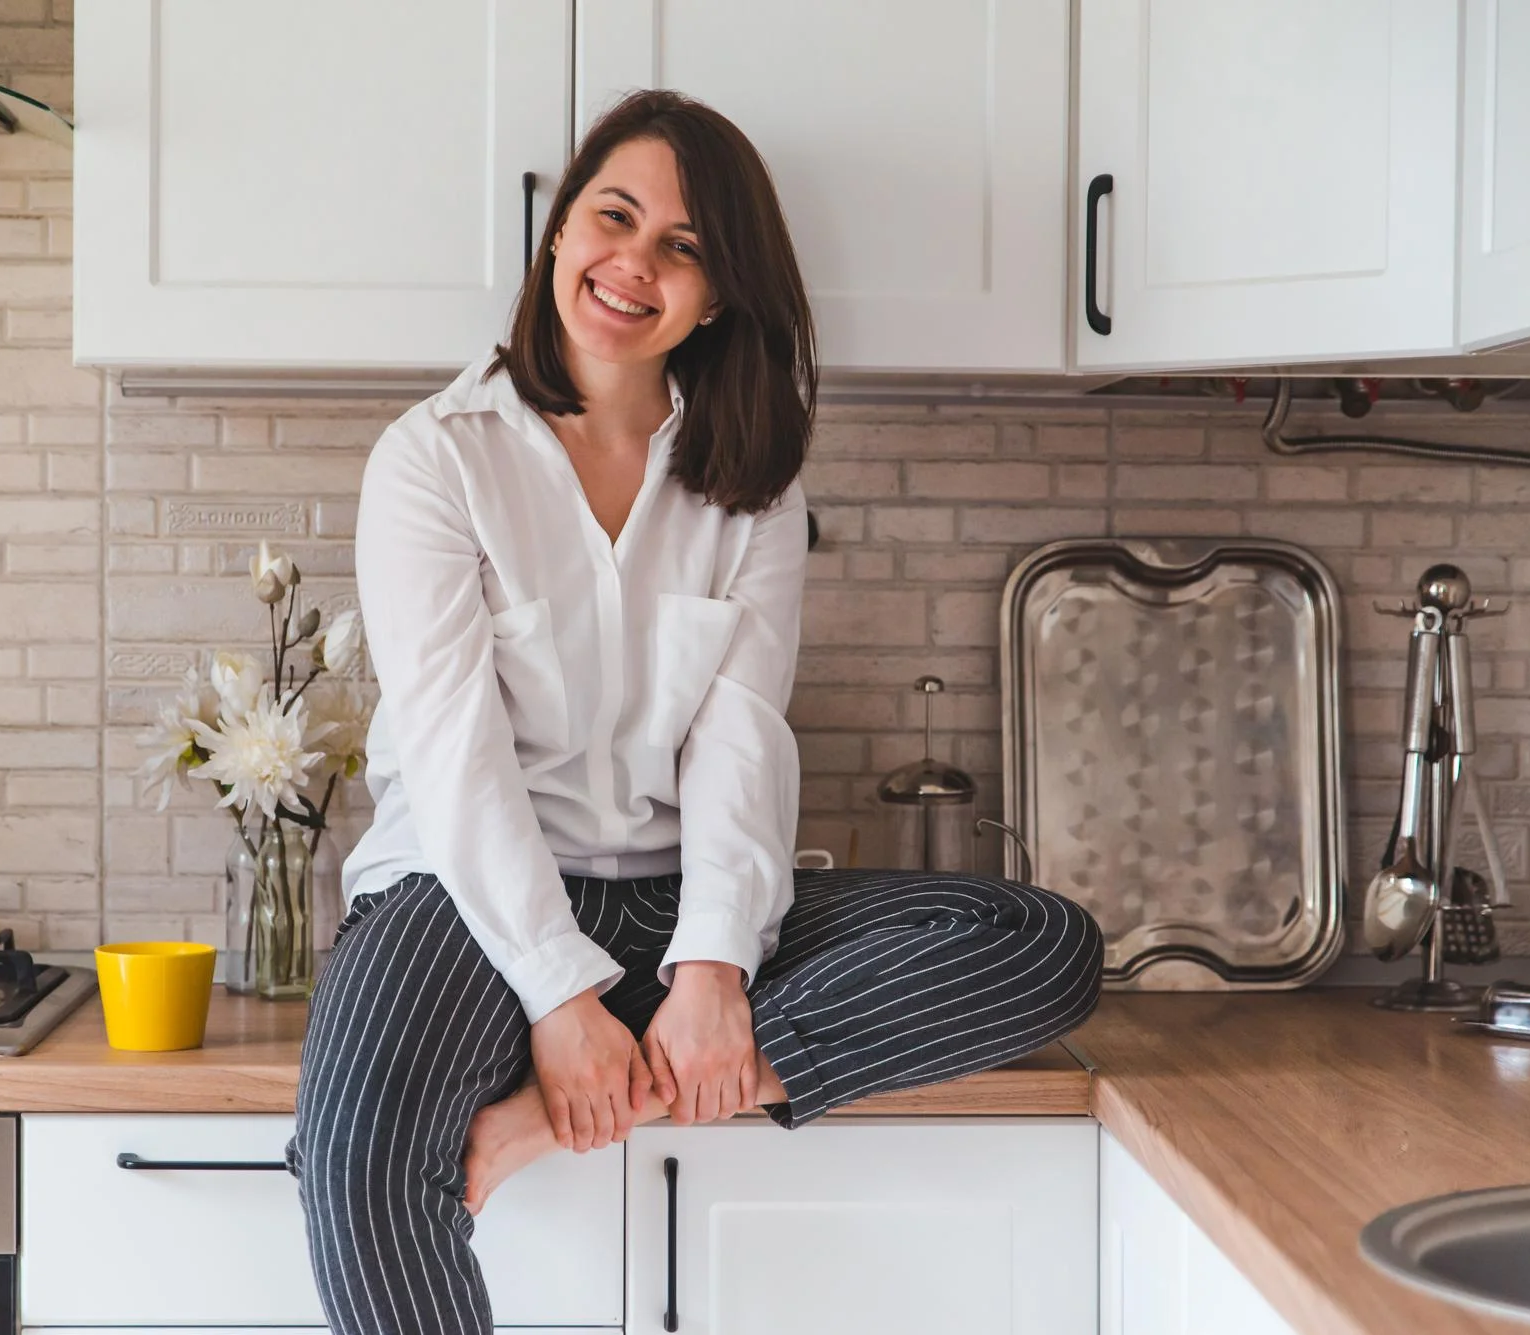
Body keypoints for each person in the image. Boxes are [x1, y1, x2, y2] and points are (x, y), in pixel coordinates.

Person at [288, 88, 1104, 1334]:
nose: (636, 263)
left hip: (674, 899)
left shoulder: (753, 489)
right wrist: (561, 1003)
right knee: (350, 1157)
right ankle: (587, 1061)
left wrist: (713, 966)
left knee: (1040, 941)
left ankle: (571, 1111)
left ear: (716, 295)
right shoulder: (434, 457)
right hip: (463, 899)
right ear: (557, 231)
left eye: (684, 247)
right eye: (613, 218)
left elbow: (740, 737)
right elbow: (455, 758)